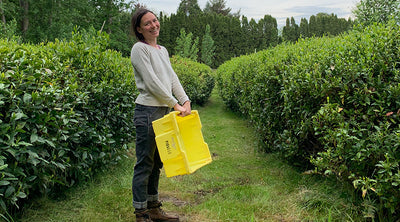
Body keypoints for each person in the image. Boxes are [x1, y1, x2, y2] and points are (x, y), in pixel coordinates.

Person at [130, 7, 191, 222]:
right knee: (144, 162)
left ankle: (154, 207)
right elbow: (152, 83)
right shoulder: (139, 49)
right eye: (147, 23)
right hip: (147, 112)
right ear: (139, 29)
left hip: (164, 111)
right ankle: (141, 213)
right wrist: (175, 103)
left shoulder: (162, 50)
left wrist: (185, 99)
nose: (153, 25)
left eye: (154, 21)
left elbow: (171, 77)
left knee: (157, 162)